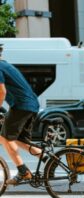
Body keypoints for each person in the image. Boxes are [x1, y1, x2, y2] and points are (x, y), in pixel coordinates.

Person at [0, 44, 43, 185]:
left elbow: (2, 92)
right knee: (18, 139)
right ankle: (47, 159)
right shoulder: (5, 65)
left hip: (21, 106)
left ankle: (23, 172)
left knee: (4, 137)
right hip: (31, 105)